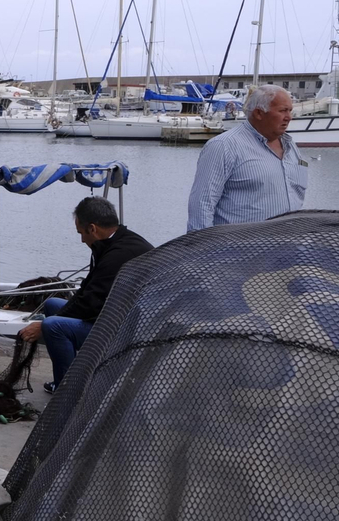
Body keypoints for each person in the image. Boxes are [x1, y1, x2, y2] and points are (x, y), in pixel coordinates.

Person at [18, 196, 153, 392]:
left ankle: (69, 393)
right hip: (116, 315)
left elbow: (91, 303)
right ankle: (68, 378)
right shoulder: (114, 243)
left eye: (81, 233)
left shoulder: (120, 254)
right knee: (52, 305)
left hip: (129, 330)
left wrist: (42, 326)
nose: (81, 239)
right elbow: (88, 292)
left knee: (53, 326)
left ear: (92, 228)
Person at [186, 84, 308, 232]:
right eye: (283, 111)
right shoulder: (223, 146)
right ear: (259, 113)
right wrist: (201, 249)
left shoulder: (291, 147)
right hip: (239, 251)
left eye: (290, 111)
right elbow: (202, 204)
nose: (289, 117)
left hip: (288, 247)